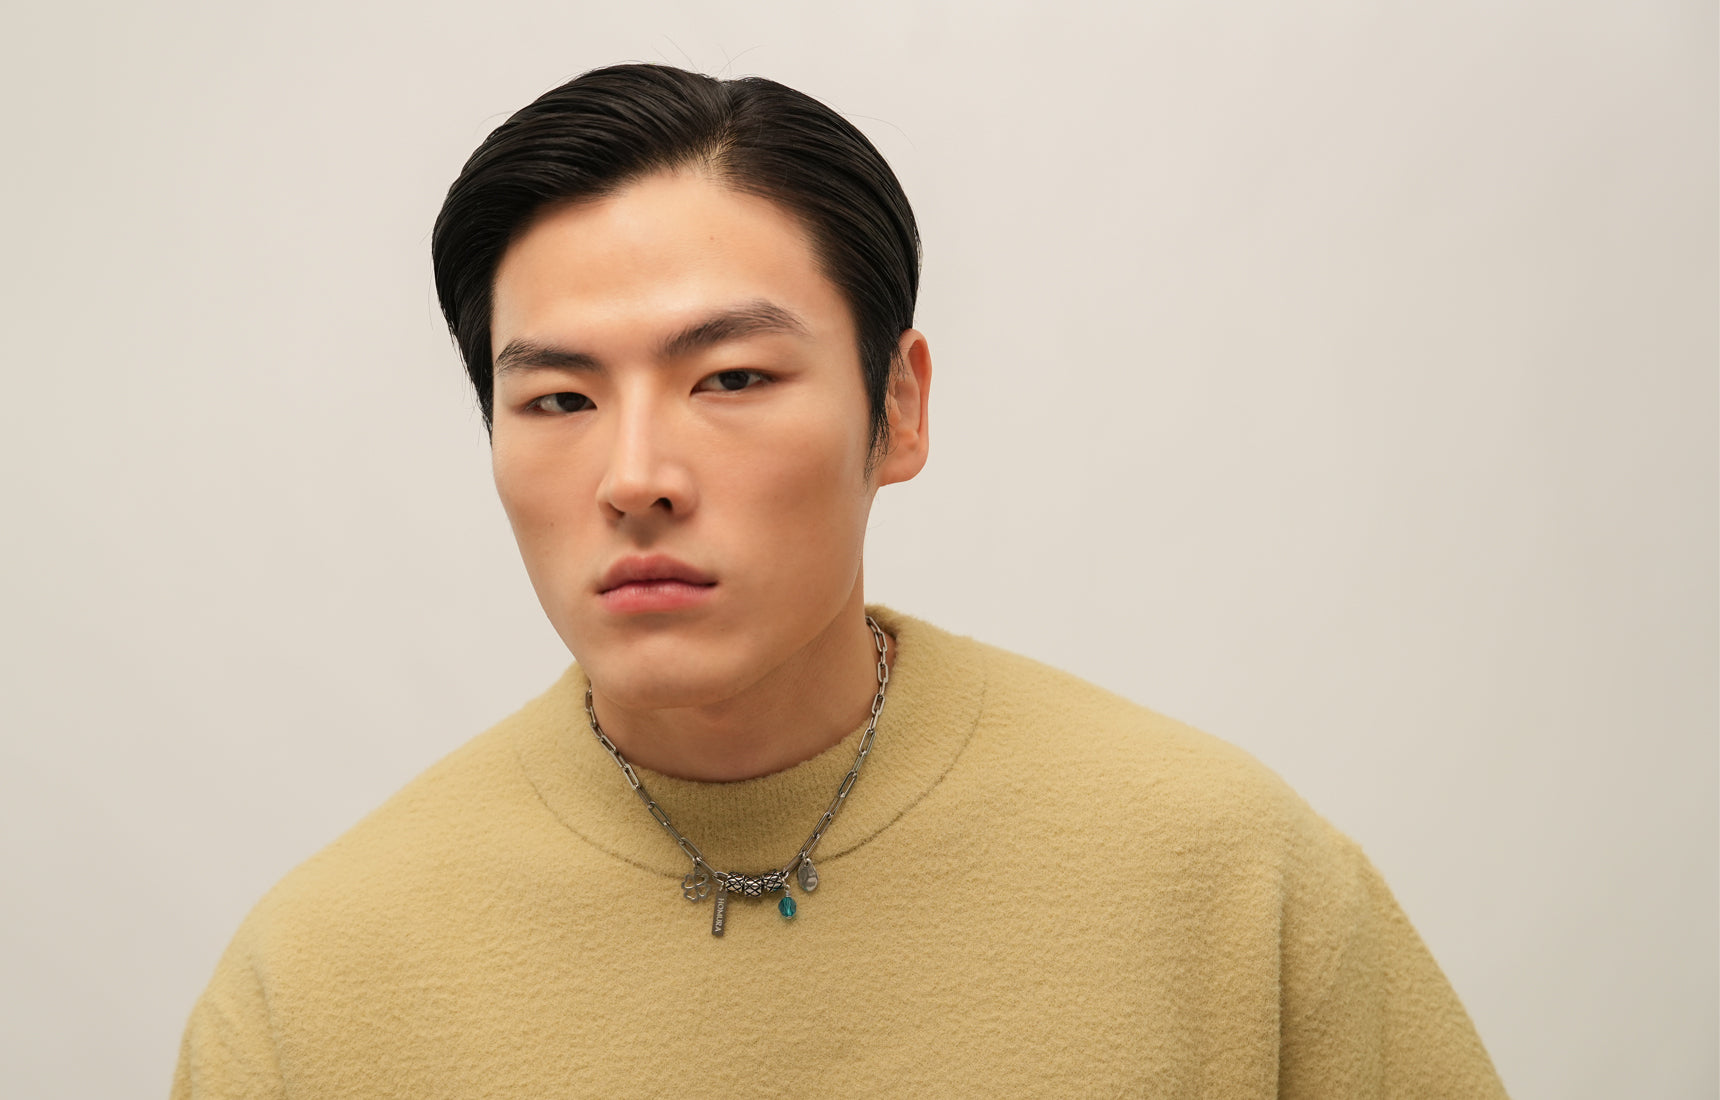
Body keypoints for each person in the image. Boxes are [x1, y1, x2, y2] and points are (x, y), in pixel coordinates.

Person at [172, 63, 1508, 1098]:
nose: (635, 477)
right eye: (561, 398)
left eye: (730, 378)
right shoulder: (320, 981)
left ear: (898, 408)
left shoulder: (1221, 874)